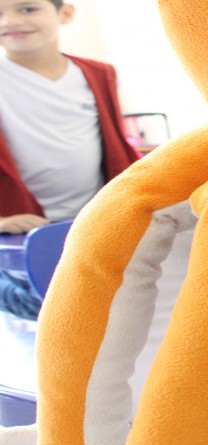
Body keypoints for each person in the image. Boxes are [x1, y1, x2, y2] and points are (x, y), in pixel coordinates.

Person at [0, 0, 139, 318]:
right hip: (27, 230)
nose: (10, 21)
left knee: (119, 303)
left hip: (94, 218)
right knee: (53, 308)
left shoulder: (98, 74)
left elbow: (114, 142)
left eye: (27, 9)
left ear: (65, 13)